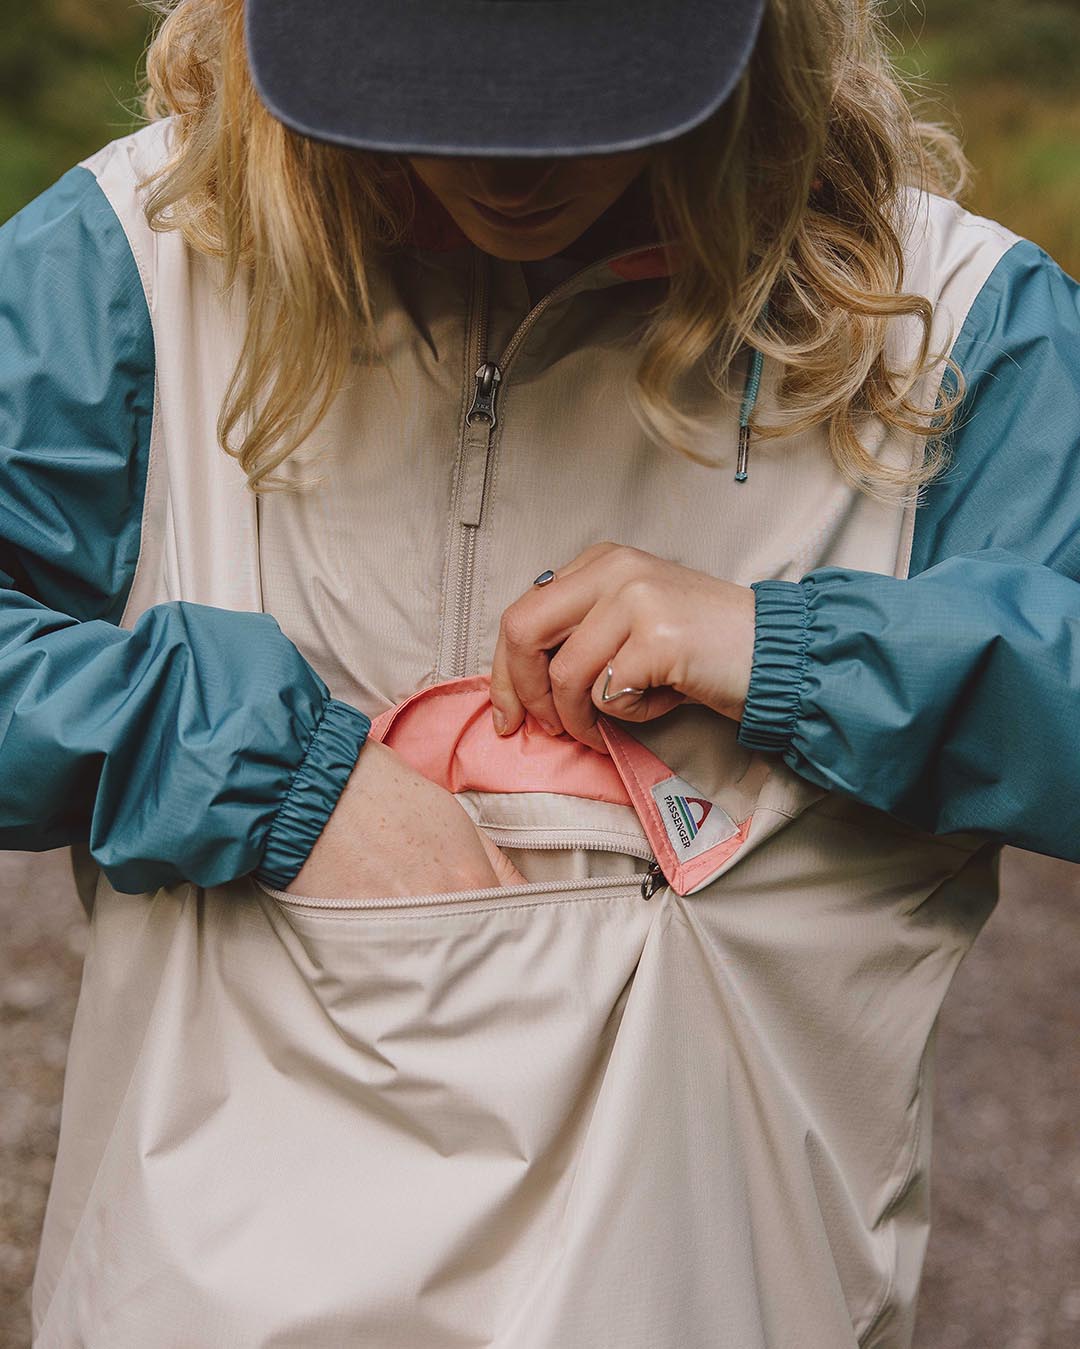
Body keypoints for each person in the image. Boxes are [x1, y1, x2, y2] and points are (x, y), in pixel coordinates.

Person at [5, 0, 1079, 1344]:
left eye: (588, 89)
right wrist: (253, 764)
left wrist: (799, 650)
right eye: (434, 84)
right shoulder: (138, 264)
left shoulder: (953, 326)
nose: (511, 171)